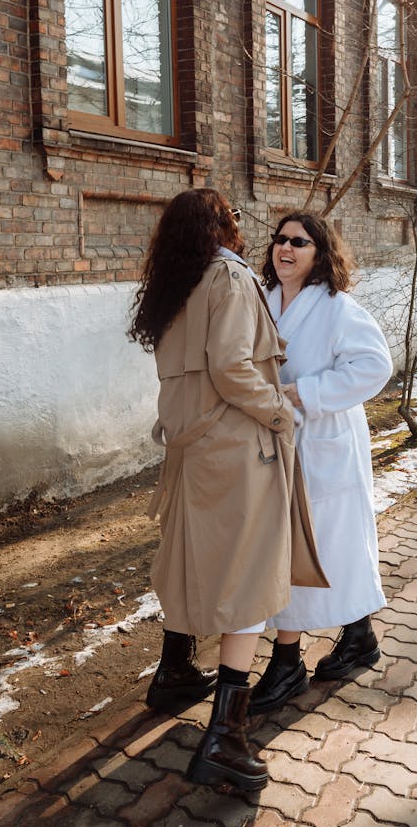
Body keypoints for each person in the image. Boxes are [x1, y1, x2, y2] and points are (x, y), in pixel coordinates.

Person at [129, 189, 326, 791]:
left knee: (191, 558)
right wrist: (278, 413)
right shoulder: (231, 277)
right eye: (234, 219)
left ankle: (174, 674)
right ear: (221, 227)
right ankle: (225, 739)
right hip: (238, 450)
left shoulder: (175, 282)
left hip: (191, 448)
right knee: (248, 579)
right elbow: (233, 366)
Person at [249, 211, 393, 716]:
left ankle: (287, 662)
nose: (285, 248)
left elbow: (375, 366)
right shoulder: (263, 301)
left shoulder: (338, 308)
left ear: (320, 253)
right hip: (278, 446)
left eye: (299, 242)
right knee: (322, 549)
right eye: (280, 240)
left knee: (320, 547)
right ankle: (359, 636)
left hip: (323, 442)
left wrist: (307, 393)